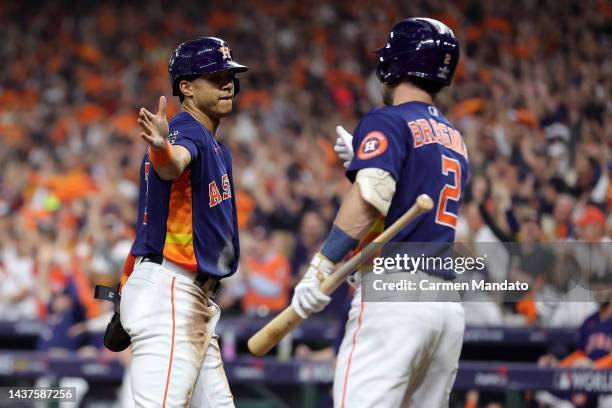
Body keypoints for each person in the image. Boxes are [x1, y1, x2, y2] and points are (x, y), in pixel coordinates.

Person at [291, 18, 467, 407]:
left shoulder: (387, 118)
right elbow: (408, 193)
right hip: (446, 306)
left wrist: (322, 265)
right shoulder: (454, 137)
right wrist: (362, 162)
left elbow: (371, 200)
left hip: (393, 299)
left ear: (394, 64)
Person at [119, 37, 247, 407]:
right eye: (215, 76)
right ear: (186, 88)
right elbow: (172, 163)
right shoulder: (187, 130)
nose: (227, 83)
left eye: (230, 76)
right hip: (172, 293)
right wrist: (161, 148)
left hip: (187, 297)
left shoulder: (213, 143)